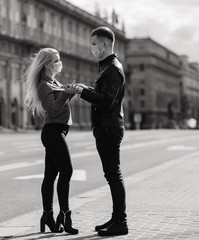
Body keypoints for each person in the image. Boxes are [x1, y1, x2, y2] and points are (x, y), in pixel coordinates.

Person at [65, 26, 128, 236]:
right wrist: (86, 88)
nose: (92, 48)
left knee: (113, 175)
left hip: (109, 127)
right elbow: (103, 95)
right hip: (106, 126)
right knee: (111, 174)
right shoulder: (106, 67)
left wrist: (83, 92)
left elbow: (107, 101)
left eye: (94, 44)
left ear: (104, 44)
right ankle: (116, 218)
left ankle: (121, 222)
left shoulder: (112, 69)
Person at [23, 48, 78, 235]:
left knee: (50, 176)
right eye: (56, 60)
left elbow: (60, 102)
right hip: (53, 132)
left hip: (58, 130)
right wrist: (65, 93)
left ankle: (47, 215)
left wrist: (70, 91)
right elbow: (52, 111)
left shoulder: (52, 82)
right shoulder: (43, 86)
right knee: (67, 170)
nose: (59, 63)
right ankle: (65, 215)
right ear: (47, 64)